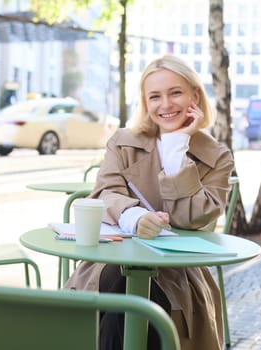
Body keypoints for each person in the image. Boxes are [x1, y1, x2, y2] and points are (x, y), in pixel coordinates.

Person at [65, 54, 234, 350]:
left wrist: (175, 148)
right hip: (112, 260)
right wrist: (135, 218)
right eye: (155, 96)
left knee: (138, 303)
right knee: (123, 288)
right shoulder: (123, 141)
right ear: (145, 102)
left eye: (176, 93)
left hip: (178, 272)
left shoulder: (217, 156)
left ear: (195, 95)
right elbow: (105, 193)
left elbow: (197, 220)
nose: (165, 105)